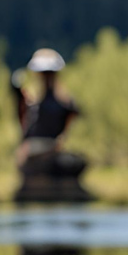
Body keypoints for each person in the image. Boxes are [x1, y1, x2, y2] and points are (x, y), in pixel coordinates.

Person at [12, 49, 86, 190]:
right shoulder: (30, 102)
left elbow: (71, 117)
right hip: (33, 150)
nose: (47, 77)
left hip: (50, 148)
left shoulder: (63, 103)